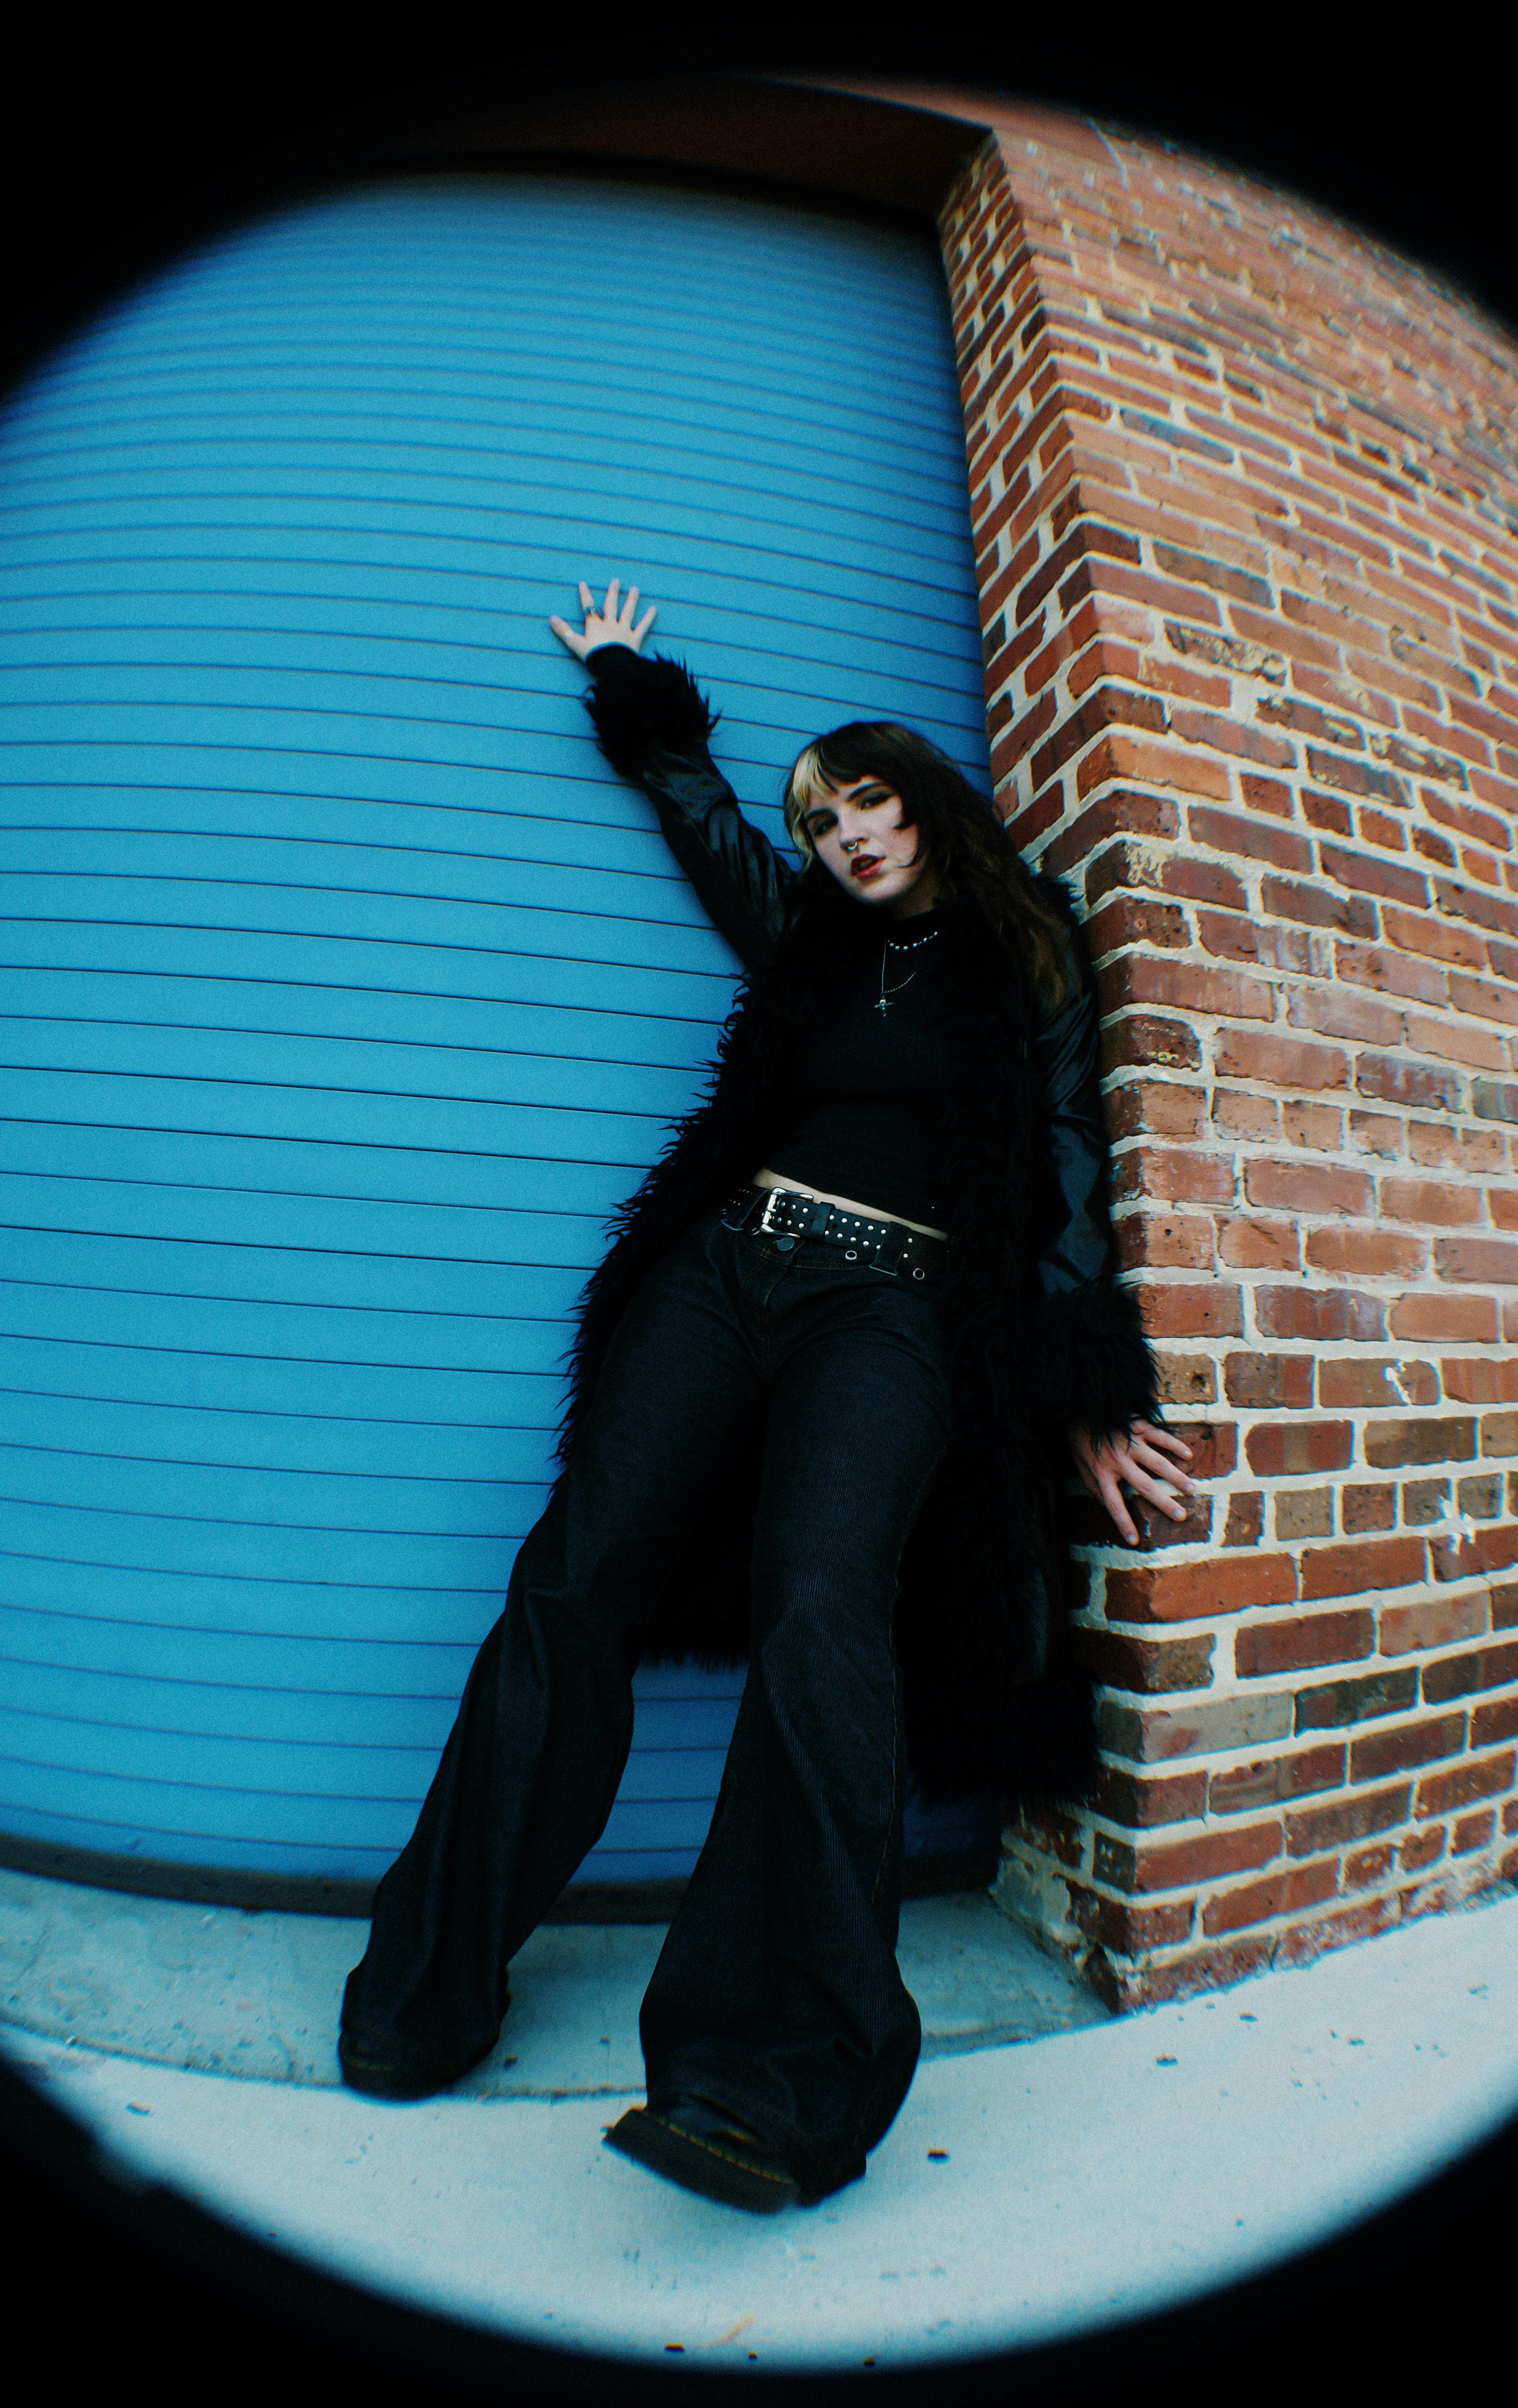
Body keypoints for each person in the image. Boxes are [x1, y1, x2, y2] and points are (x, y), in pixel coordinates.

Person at [337, 578, 1197, 2214]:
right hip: (727, 1273)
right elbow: (707, 822)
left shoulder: (1028, 956)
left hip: (895, 1305)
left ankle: (777, 2073)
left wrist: (1082, 1384)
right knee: (573, 1580)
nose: (848, 834)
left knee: (825, 1610)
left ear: (922, 800)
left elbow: (1073, 1167)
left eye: (868, 798)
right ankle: (428, 1982)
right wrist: (635, 689)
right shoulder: (804, 939)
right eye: (823, 819)